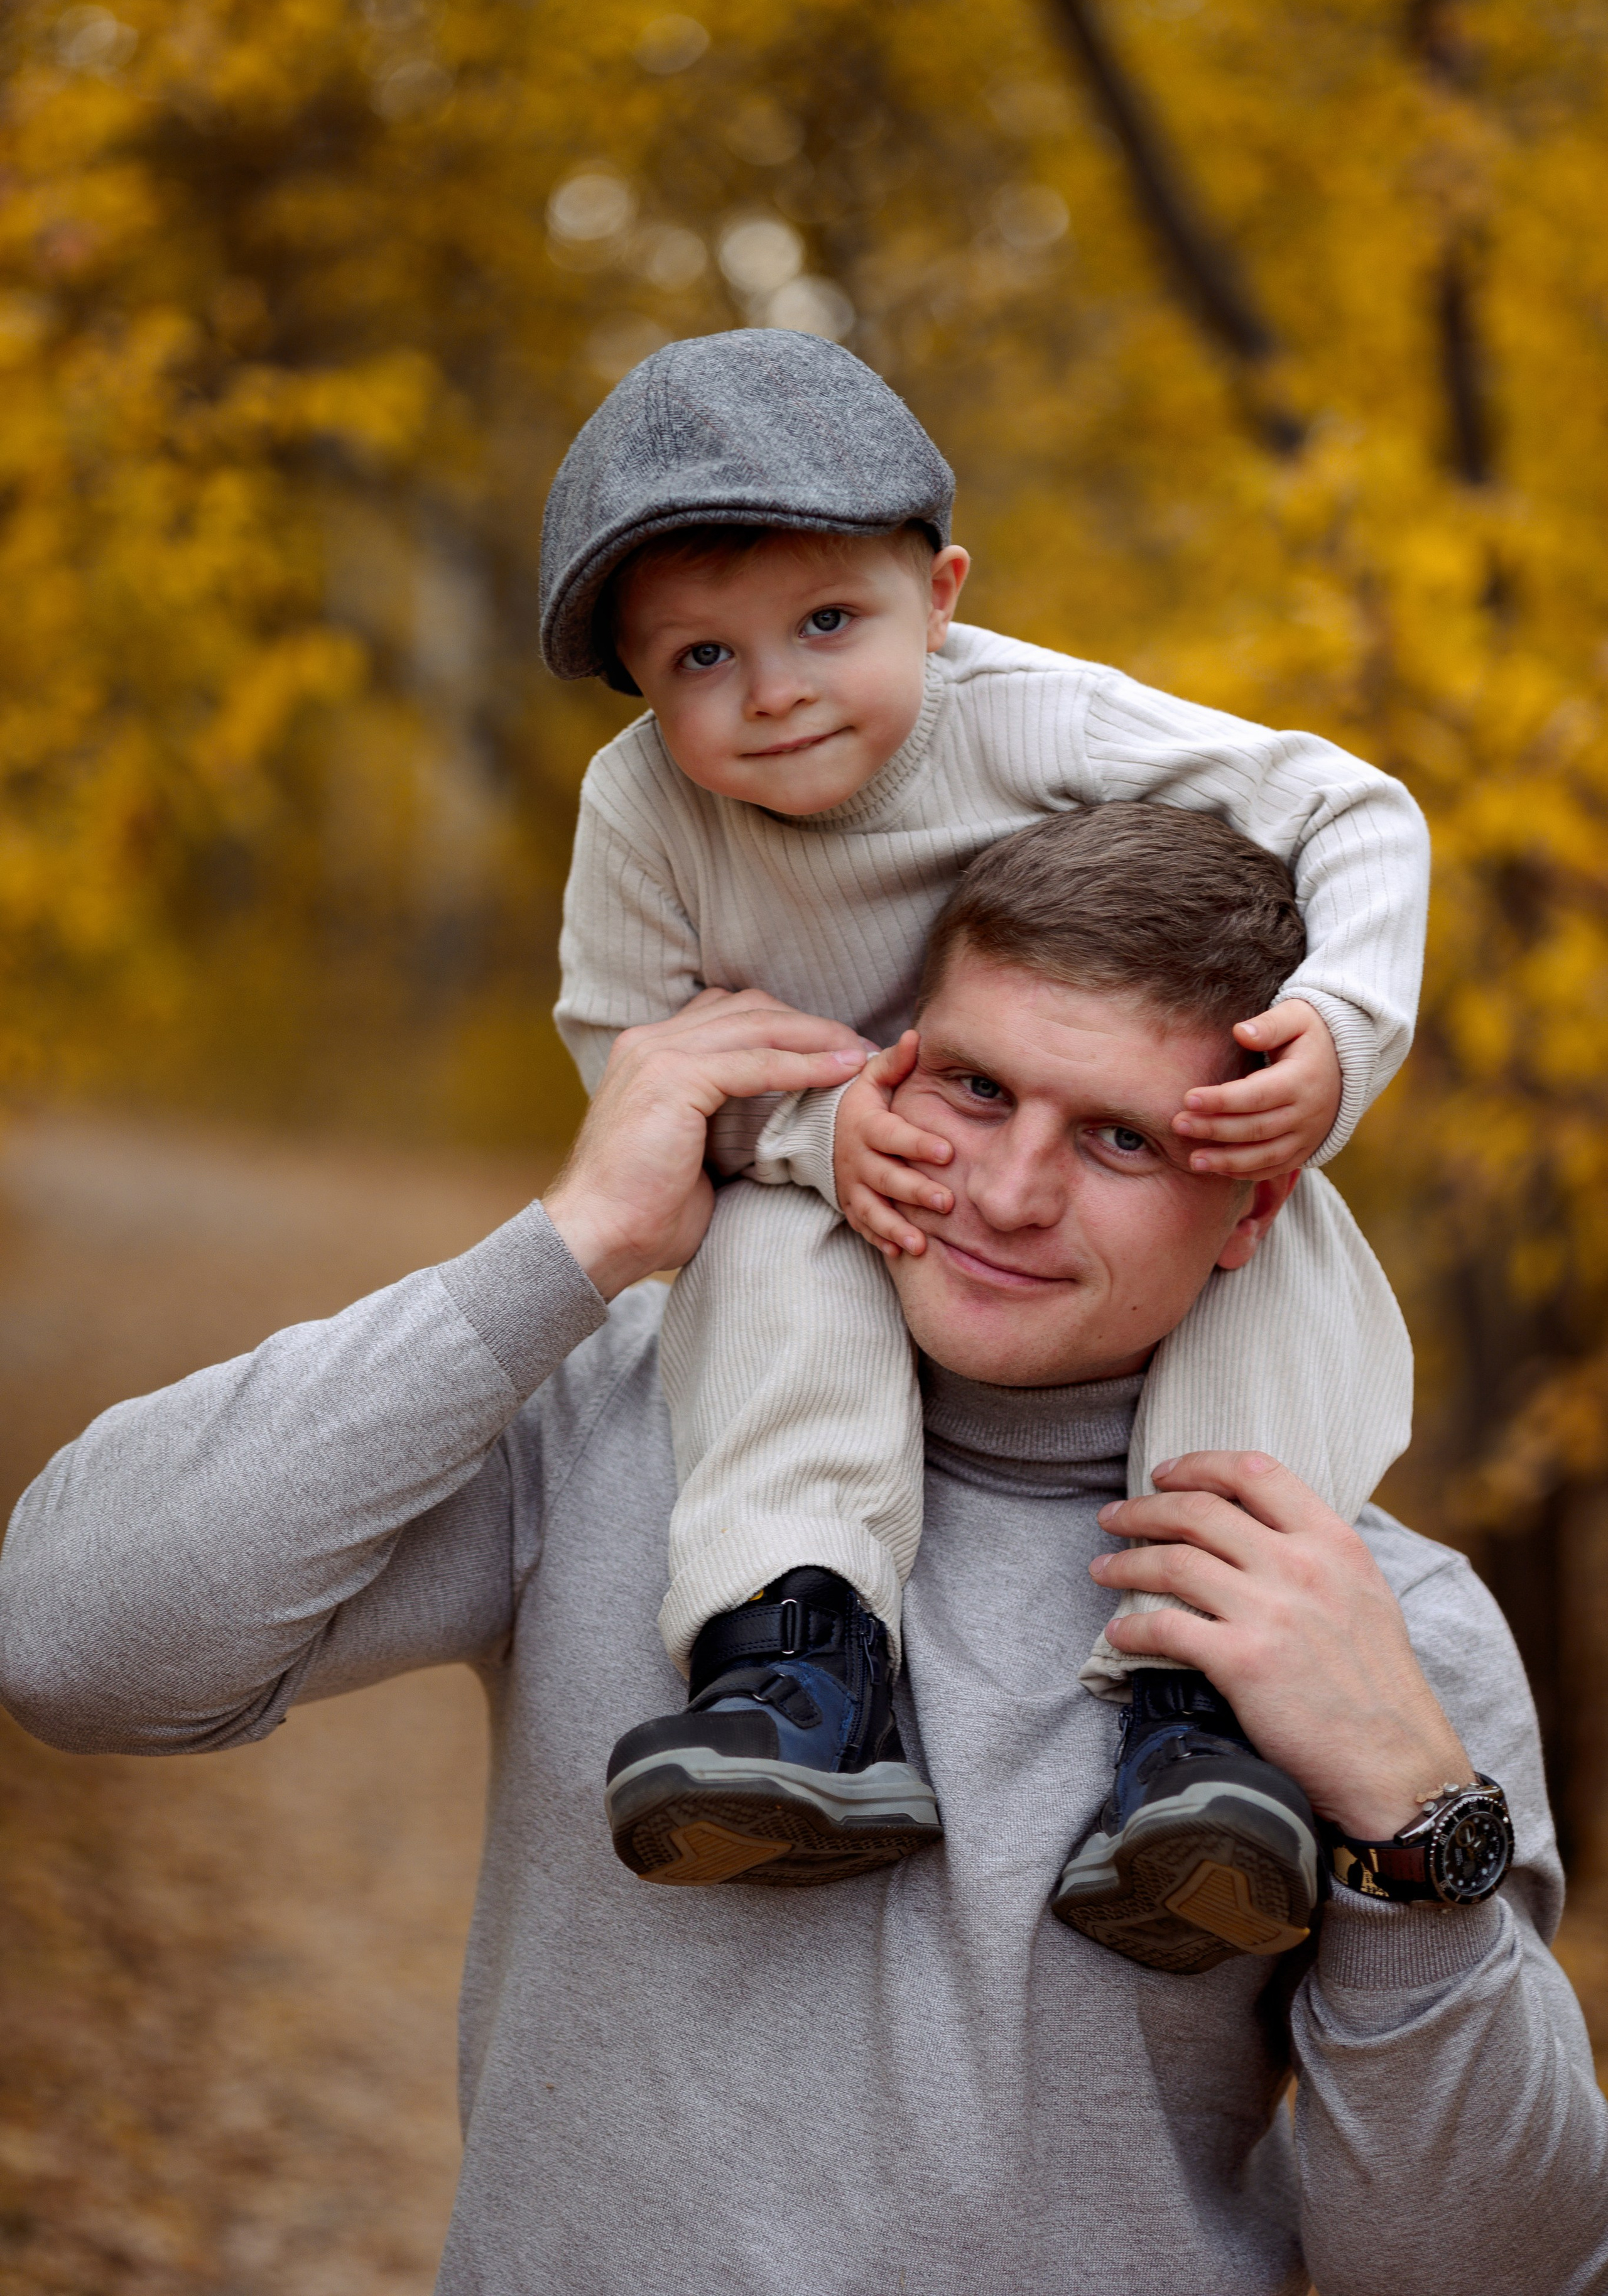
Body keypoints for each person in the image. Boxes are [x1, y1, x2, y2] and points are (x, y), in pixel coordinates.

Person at [1, 807, 1602, 2296]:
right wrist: (571, 1248)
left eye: (1121, 1141)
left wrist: (1411, 1824)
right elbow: (72, 1644)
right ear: (886, 1072)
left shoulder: (1360, 1620)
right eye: (973, 1088)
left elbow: (1496, 2272)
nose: (1009, 1191)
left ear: (1252, 1206)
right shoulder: (623, 1416)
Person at [541, 326, 1425, 1894]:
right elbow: (628, 1048)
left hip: (1087, 1138)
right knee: (770, 1263)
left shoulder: (1031, 718)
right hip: (827, 1158)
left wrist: (1338, 1028)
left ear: (938, 600)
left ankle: (1205, 1713)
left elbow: (1344, 806)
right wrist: (805, 1141)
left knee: (1261, 1239)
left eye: (827, 621)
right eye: (700, 659)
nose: (775, 695)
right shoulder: (643, 804)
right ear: (632, 677)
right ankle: (796, 1666)